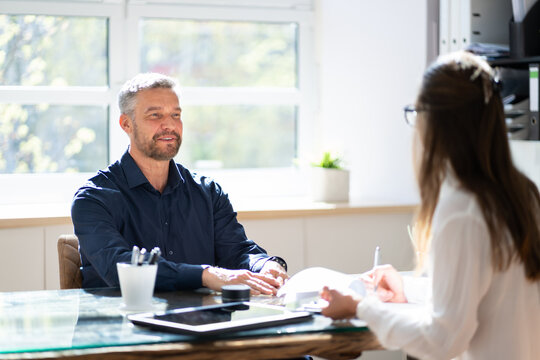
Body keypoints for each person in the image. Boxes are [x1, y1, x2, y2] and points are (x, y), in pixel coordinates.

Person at [320, 51, 540, 359]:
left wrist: (361, 307)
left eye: (417, 111)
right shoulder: (523, 194)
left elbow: (441, 341)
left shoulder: (462, 210)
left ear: (436, 121)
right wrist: (407, 288)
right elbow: (481, 294)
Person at [71, 73, 288, 294]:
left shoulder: (208, 192)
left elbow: (238, 251)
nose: (169, 125)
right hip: (123, 325)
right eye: (155, 115)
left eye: (176, 115)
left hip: (200, 324)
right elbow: (119, 267)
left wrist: (265, 264)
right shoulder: (93, 199)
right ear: (126, 124)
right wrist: (206, 275)